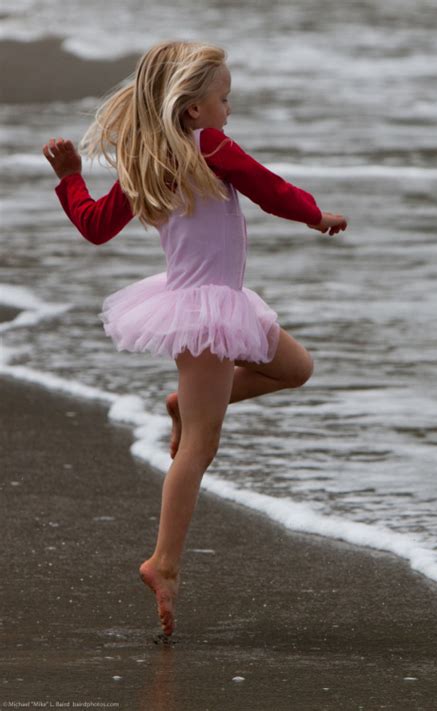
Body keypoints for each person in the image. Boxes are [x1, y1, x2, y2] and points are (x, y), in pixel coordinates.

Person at [42, 39, 348, 639]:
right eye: (223, 99)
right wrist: (316, 216)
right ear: (193, 111)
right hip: (208, 313)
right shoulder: (208, 145)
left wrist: (73, 181)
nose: (228, 110)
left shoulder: (149, 158)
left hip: (215, 304)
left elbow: (95, 227)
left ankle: (186, 404)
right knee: (199, 448)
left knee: (296, 368)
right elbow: (267, 187)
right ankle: (164, 563)